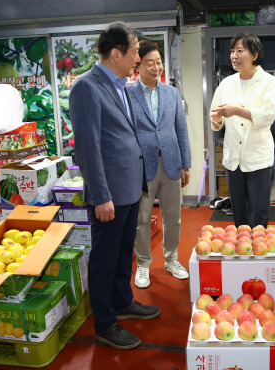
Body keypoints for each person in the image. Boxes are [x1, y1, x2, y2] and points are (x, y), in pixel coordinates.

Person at [69, 21, 159, 350]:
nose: (138, 58)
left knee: (124, 253)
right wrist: (101, 196)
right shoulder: (87, 87)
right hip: (109, 193)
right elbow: (88, 147)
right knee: (105, 258)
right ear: (117, 53)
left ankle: (122, 301)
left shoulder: (120, 84)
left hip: (129, 186)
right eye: (135, 52)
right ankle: (105, 323)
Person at [129, 40, 191, 288]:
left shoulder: (172, 93)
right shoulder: (128, 94)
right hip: (143, 165)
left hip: (172, 162)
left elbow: (181, 130)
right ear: (138, 65)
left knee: (173, 216)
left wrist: (186, 163)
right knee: (142, 218)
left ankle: (171, 258)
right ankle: (143, 264)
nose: (156, 67)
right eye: (149, 63)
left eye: (158, 62)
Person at [209, 33, 275, 228]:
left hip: (258, 156)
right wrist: (216, 121)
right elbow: (216, 118)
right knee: (238, 210)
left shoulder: (269, 82)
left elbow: (268, 115)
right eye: (232, 52)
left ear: (254, 55)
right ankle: (242, 250)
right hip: (233, 158)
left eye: (240, 51)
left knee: (258, 211)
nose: (234, 56)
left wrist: (236, 111)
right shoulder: (226, 84)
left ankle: (258, 252)